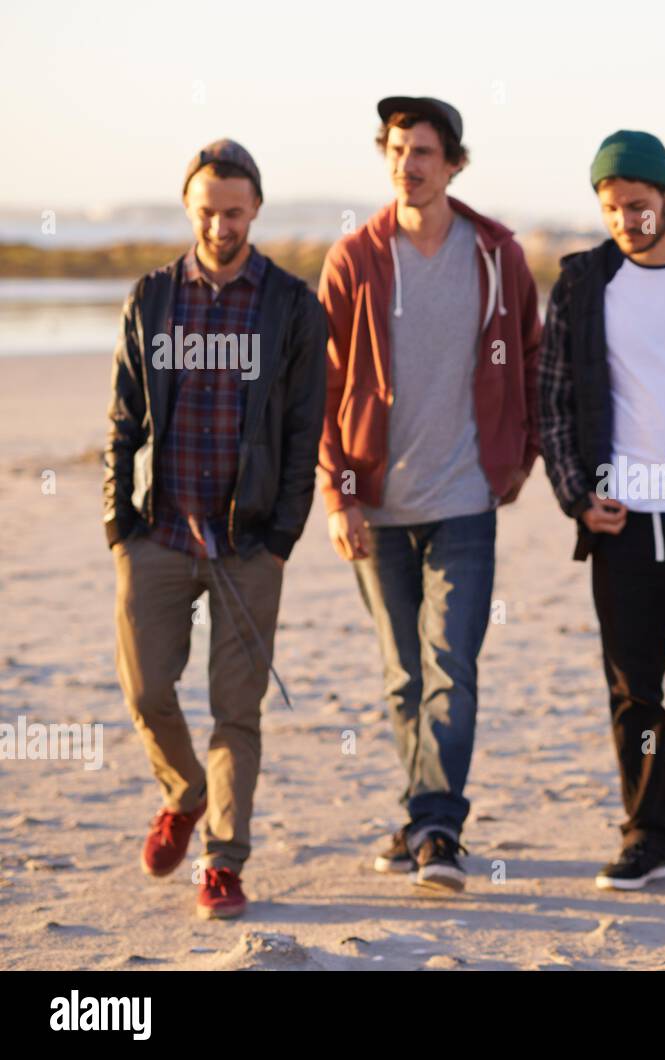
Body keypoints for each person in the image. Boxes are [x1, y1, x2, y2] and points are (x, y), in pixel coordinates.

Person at [316, 96, 542, 893]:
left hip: (465, 499)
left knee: (452, 663)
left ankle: (438, 825)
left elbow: (531, 356)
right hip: (375, 502)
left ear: (452, 164)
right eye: (397, 150)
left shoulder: (496, 254)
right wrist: (339, 494)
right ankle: (421, 814)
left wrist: (521, 455)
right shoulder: (354, 259)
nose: (408, 164)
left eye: (423, 152)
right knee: (402, 673)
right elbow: (324, 384)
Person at [104, 138, 327, 919]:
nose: (221, 224)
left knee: (237, 711)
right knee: (145, 690)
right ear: (188, 205)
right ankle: (185, 793)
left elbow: (305, 432)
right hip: (157, 534)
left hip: (248, 542)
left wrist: (281, 537)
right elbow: (124, 418)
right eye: (208, 210)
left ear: (256, 209)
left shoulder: (294, 306)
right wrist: (116, 524)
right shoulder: (152, 298)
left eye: (234, 211)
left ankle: (225, 861)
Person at [538, 130, 665, 894]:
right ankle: (646, 836)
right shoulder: (586, 283)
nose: (627, 217)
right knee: (635, 689)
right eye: (612, 206)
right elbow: (554, 399)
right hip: (626, 517)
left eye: (639, 204)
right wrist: (576, 494)